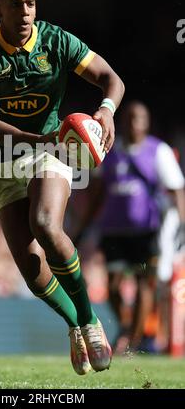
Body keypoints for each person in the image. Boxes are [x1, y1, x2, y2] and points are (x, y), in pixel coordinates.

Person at [0, 0, 125, 375]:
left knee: (45, 225)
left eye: (30, 4)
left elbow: (110, 79)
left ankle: (90, 321)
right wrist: (41, 140)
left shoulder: (57, 41)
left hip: (51, 150)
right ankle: (74, 324)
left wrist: (105, 110)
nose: (25, 12)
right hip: (4, 155)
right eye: (15, 4)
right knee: (31, 269)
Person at [76, 101, 185, 353]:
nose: (133, 122)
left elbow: (176, 189)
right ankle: (127, 326)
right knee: (112, 286)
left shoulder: (159, 151)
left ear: (147, 123)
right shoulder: (109, 151)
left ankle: (133, 346)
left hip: (147, 231)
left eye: (139, 118)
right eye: (129, 117)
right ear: (122, 121)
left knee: (144, 284)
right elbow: (98, 193)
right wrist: (84, 226)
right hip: (113, 229)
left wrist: (179, 224)